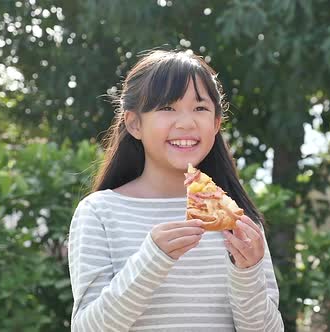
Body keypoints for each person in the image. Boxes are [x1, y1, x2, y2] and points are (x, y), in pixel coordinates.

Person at [67, 49, 284, 331]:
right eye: (167, 108)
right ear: (134, 123)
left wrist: (247, 272)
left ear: (216, 123)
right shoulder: (99, 212)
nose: (186, 123)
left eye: (200, 108)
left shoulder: (237, 218)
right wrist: (152, 260)